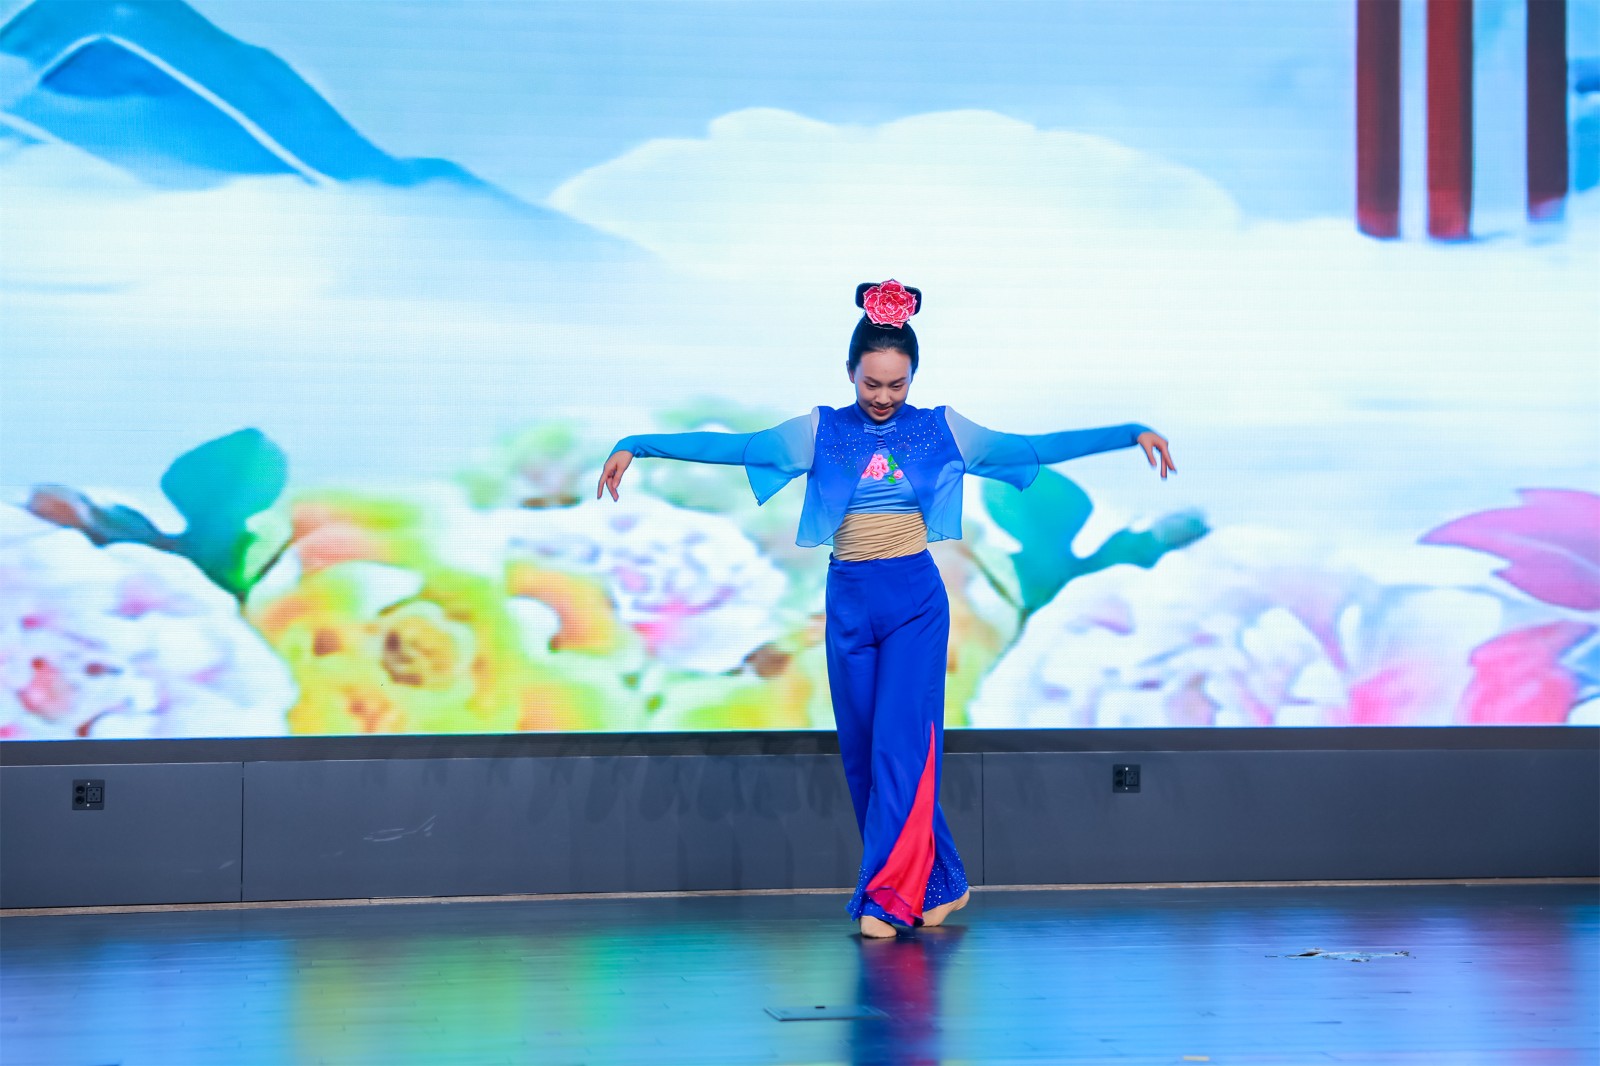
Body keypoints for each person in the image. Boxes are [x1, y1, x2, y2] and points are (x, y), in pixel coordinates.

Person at [596, 280, 1175, 938]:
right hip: (848, 599)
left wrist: (1130, 433)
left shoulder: (942, 430)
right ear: (850, 372)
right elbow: (739, 448)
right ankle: (943, 882)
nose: (883, 396)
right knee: (865, 757)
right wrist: (638, 443)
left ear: (913, 377)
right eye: (872, 383)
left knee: (902, 750)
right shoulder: (819, 431)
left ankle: (885, 899)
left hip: (913, 604)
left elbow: (1034, 446)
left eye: (897, 384)